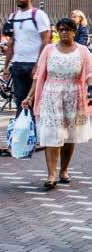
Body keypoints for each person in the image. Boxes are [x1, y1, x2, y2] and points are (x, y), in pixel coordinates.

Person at [22, 18, 92, 190]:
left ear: (74, 32)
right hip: (51, 97)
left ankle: (64, 170)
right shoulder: (49, 49)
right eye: (60, 30)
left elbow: (90, 74)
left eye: (67, 30)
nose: (63, 33)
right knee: (52, 134)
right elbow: (38, 76)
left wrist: (90, 89)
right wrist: (29, 97)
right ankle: (51, 174)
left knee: (69, 136)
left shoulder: (83, 51)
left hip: (74, 97)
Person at [0, 0, 50, 156]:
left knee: (37, 102)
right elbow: (11, 43)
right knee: (21, 102)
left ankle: (40, 137)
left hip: (34, 64)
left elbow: (45, 40)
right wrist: (6, 66)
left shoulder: (38, 15)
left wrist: (38, 65)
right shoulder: (14, 16)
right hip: (18, 65)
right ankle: (21, 138)